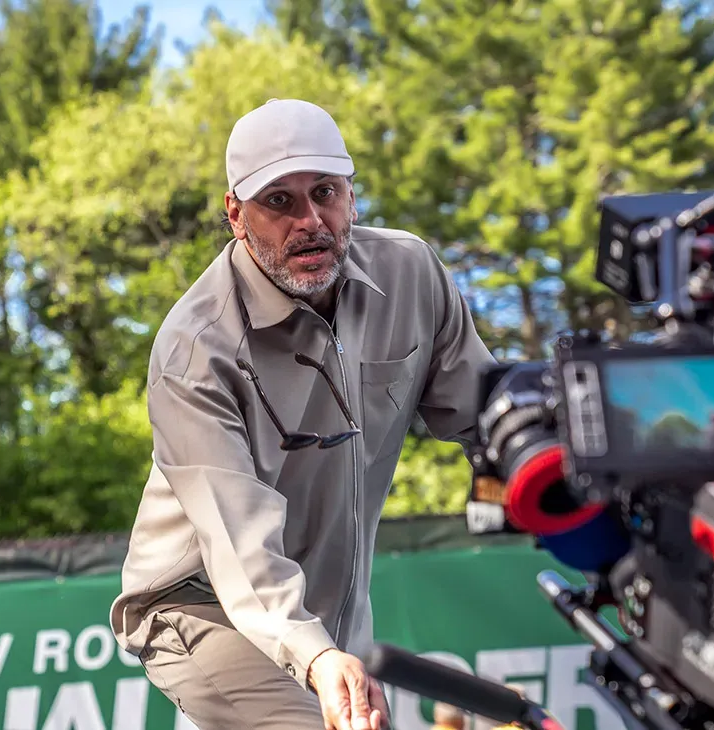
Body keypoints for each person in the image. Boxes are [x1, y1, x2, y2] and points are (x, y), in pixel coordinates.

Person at [109, 98, 497, 730]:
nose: (310, 221)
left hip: (327, 620)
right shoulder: (193, 352)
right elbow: (239, 546)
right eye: (280, 203)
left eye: (325, 192)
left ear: (351, 193)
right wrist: (316, 656)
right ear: (235, 214)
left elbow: (487, 416)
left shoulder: (412, 273)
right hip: (199, 607)